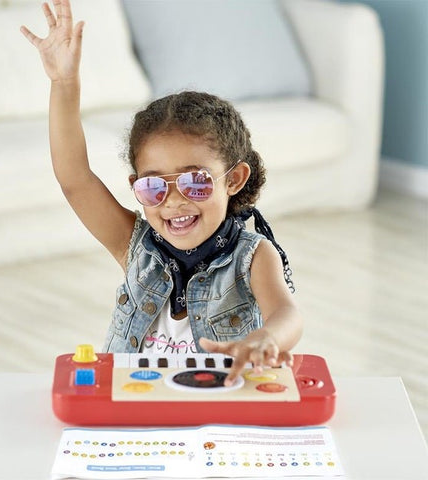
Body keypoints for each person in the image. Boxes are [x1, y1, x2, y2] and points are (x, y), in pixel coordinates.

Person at [21, 0, 302, 386]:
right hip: (134, 412)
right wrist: (64, 84)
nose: (173, 200)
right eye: (153, 186)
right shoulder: (134, 245)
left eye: (195, 182)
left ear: (234, 179)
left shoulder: (253, 256)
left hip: (214, 415)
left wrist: (266, 339)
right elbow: (74, 179)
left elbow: (288, 315)